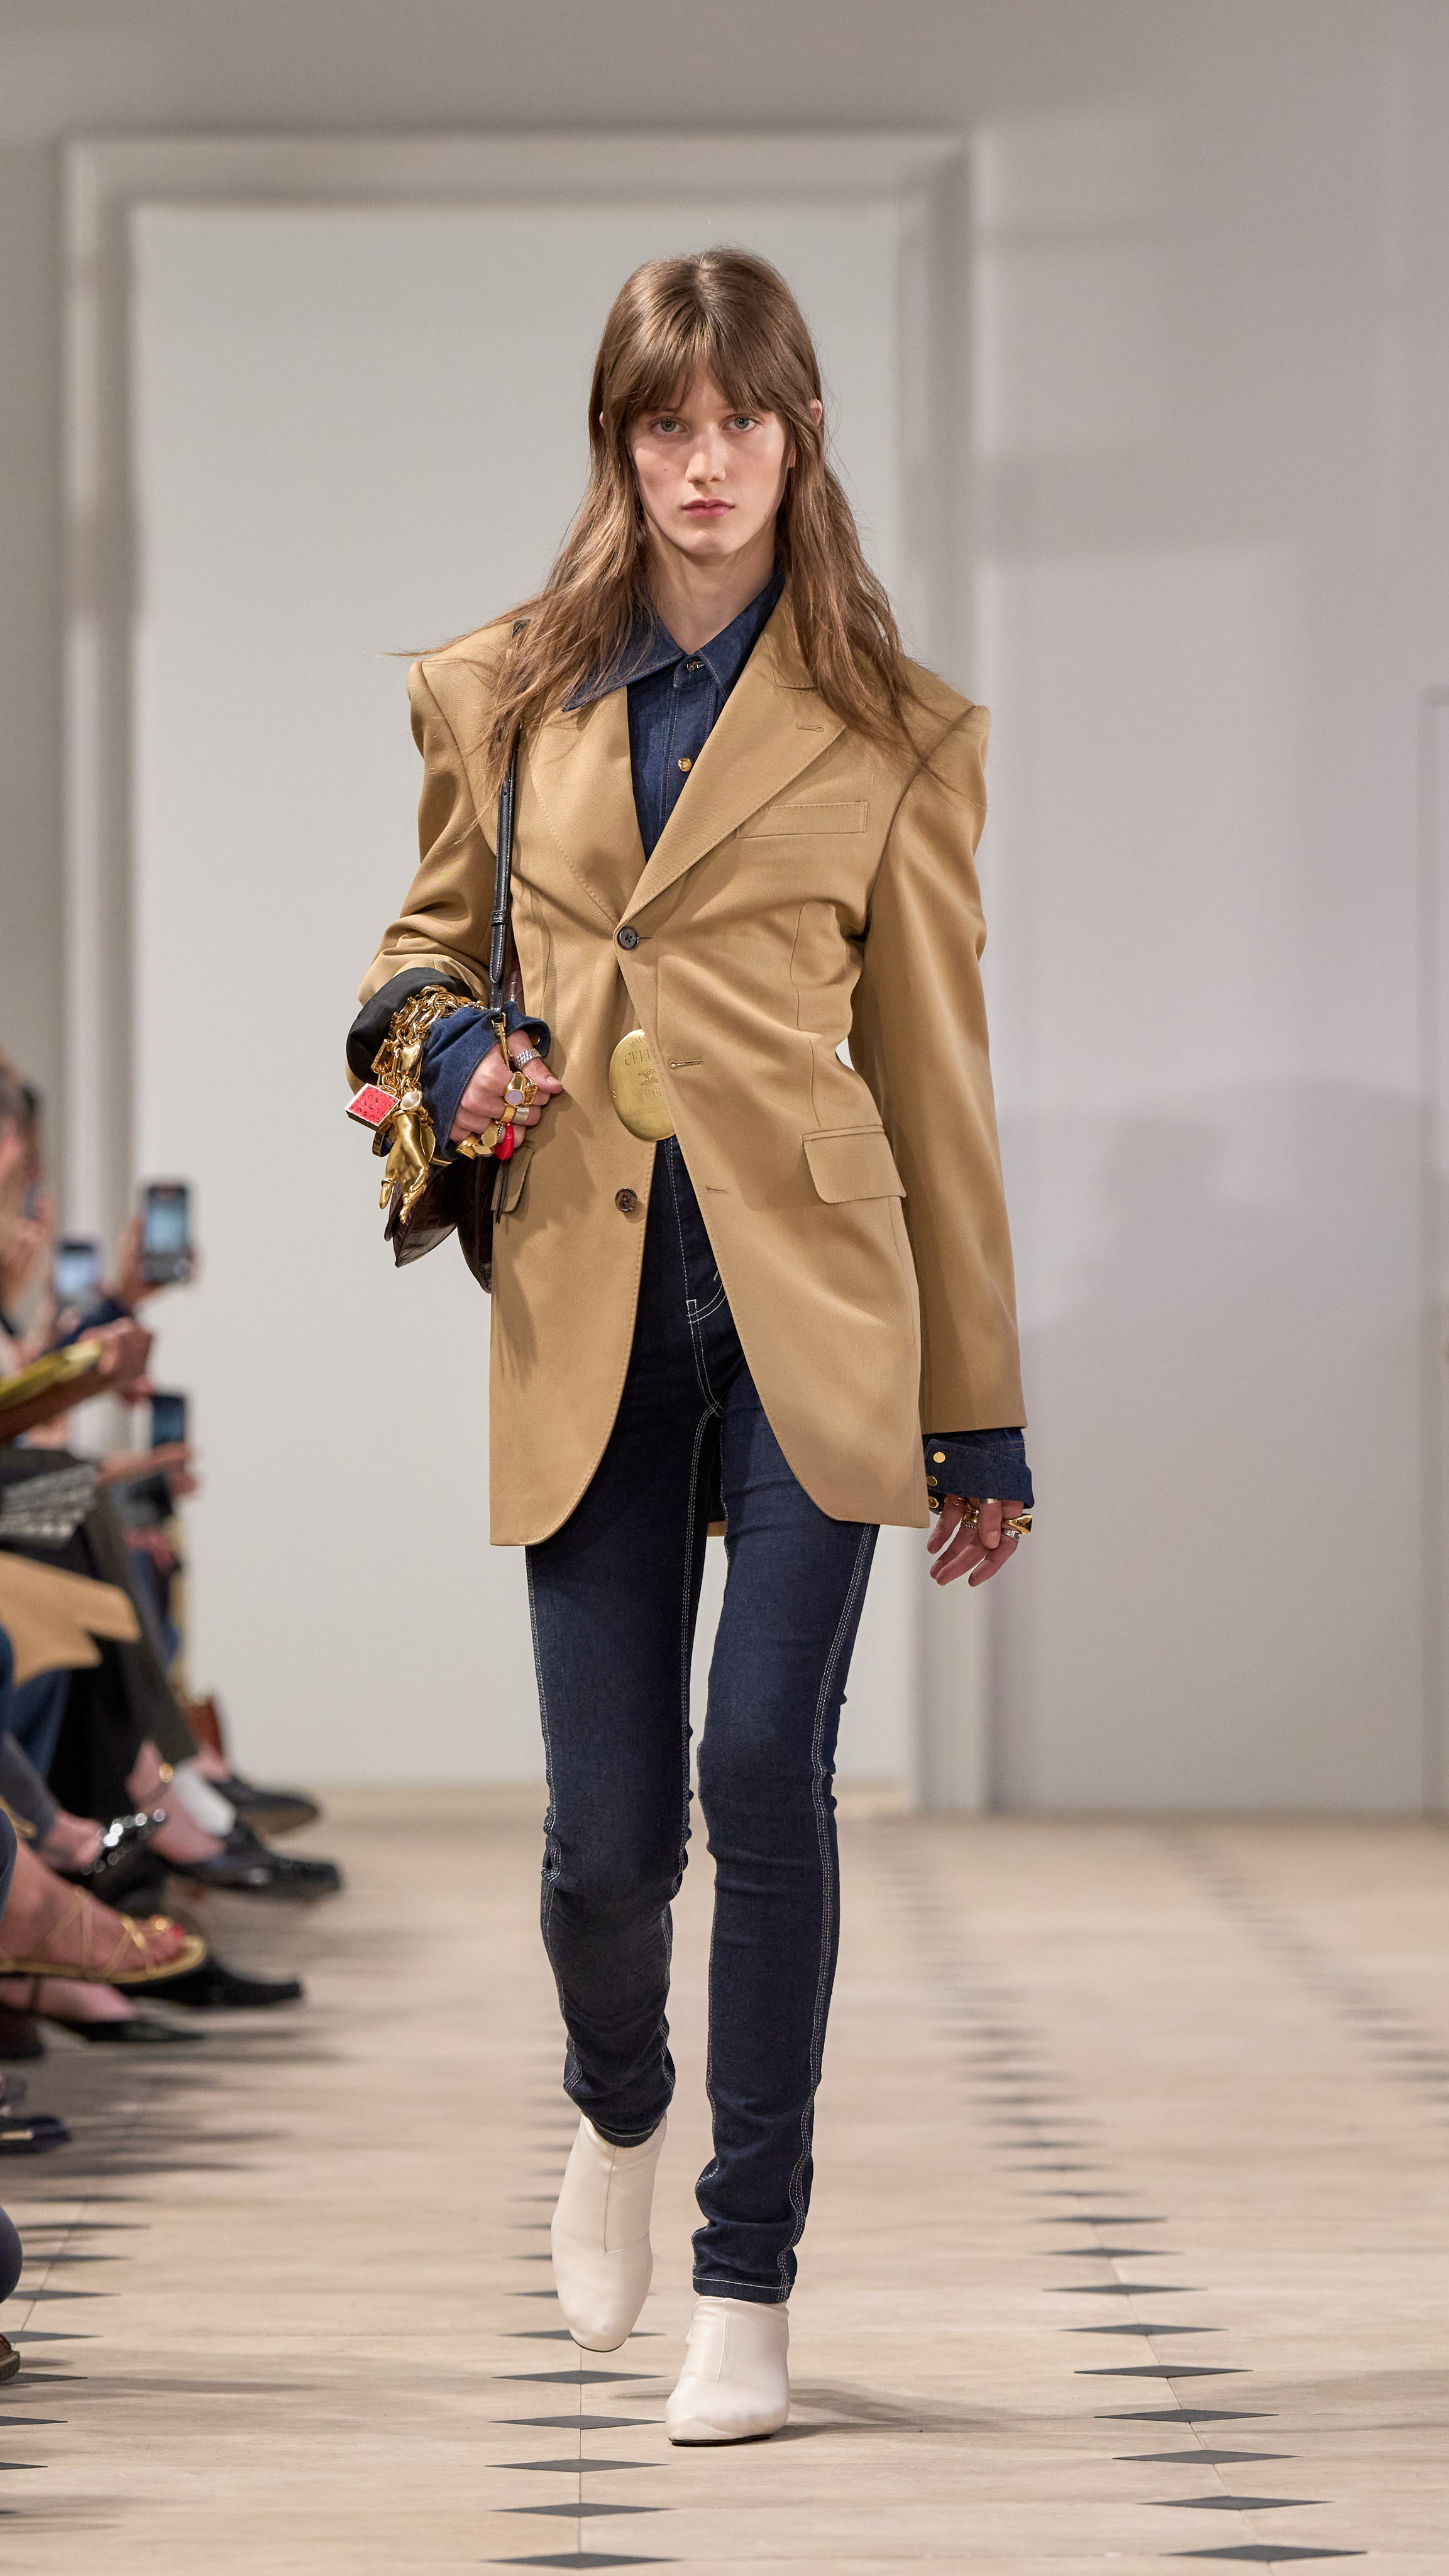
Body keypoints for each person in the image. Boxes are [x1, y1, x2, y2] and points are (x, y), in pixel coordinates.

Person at [349, 249, 1032, 2444]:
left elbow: (937, 1078)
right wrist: (445, 1052)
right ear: (620, 443)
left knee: (766, 1779)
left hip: (818, 1314)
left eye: (739, 419)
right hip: (586, 1291)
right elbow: (409, 964)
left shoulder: (900, 730)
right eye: (664, 422)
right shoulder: (499, 690)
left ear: (794, 435)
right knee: (602, 1849)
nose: (704, 459)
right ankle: (615, 2098)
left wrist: (980, 1411)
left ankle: (747, 2271)